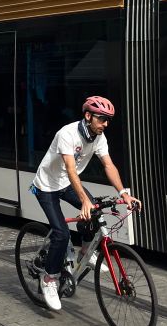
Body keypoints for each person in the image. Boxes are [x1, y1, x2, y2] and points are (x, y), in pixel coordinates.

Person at [31, 95, 141, 312]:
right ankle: (49, 279)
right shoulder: (67, 134)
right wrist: (83, 201)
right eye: (102, 119)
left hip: (68, 183)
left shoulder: (99, 137)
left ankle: (84, 252)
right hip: (47, 185)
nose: (105, 124)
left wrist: (124, 193)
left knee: (95, 213)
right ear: (88, 116)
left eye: (108, 120)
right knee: (61, 233)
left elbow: (108, 165)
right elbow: (71, 170)